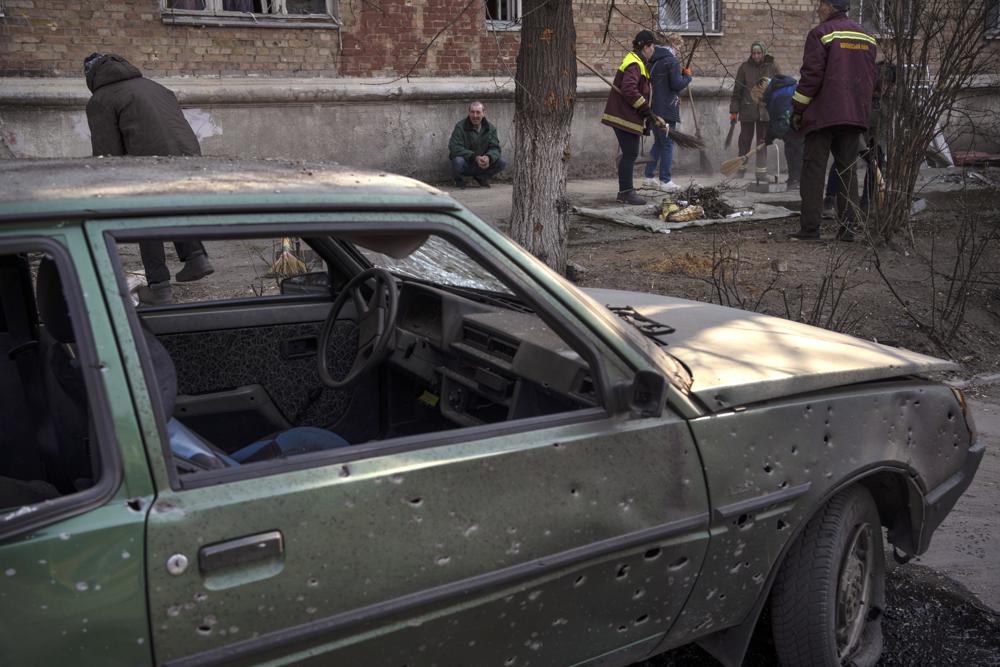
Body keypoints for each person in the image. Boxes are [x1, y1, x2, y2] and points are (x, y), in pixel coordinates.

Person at [84, 52, 214, 304]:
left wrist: (106, 183)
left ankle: (159, 287)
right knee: (174, 206)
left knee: (144, 217)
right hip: (187, 156)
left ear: (91, 76)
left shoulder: (101, 99)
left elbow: (107, 151)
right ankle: (196, 257)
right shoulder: (155, 86)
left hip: (149, 162)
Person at [788, 0, 877, 241]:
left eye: (820, 6)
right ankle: (848, 230)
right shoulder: (867, 37)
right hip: (854, 116)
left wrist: (797, 110)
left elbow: (811, 76)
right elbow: (870, 78)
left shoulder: (821, 33)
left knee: (814, 171)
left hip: (823, 116)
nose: (818, 11)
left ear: (829, 7)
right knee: (848, 171)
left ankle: (810, 229)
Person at [601, 30, 662, 205]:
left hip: (628, 116)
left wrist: (648, 112)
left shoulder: (638, 62)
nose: (653, 50)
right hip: (624, 116)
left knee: (629, 154)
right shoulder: (634, 63)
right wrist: (645, 109)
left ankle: (626, 191)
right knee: (630, 154)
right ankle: (626, 192)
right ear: (645, 46)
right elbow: (629, 90)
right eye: (652, 47)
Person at [641, 32, 691, 193]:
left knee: (659, 143)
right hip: (667, 110)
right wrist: (688, 77)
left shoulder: (653, 61)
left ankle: (648, 177)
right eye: (679, 46)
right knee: (668, 144)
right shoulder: (671, 60)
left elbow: (664, 86)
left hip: (654, 108)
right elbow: (676, 84)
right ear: (674, 44)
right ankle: (665, 180)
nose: (679, 50)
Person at [729, 41, 780, 182]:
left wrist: (777, 109)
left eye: (759, 53)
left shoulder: (773, 67)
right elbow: (737, 92)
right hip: (747, 109)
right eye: (753, 53)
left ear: (763, 53)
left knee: (762, 142)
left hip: (765, 111)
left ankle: (761, 173)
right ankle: (741, 169)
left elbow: (779, 88)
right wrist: (734, 111)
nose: (756, 56)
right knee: (744, 140)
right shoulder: (744, 68)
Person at [448, 101, 507, 188]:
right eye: (472, 112)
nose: (475, 116)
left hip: (483, 164)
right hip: (466, 163)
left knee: (502, 162)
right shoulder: (460, 126)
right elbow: (454, 147)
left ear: (483, 113)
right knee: (458, 161)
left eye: (478, 112)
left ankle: (481, 177)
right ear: (469, 113)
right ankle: (459, 180)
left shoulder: (490, 128)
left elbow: (495, 148)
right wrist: (474, 156)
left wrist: (488, 157)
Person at [760, 74, 803, 188]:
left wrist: (770, 136)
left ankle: (797, 180)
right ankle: (793, 179)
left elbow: (781, 120)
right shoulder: (781, 89)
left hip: (796, 125)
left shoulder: (779, 96)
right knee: (791, 151)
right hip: (795, 124)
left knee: (796, 152)